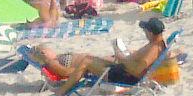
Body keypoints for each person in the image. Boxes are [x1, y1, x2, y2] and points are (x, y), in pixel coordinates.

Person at [24, 15, 169, 88]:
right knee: (92, 59)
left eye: (145, 30)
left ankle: (63, 91)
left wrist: (122, 58)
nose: (144, 33)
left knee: (87, 62)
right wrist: (124, 56)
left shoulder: (153, 49)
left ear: (150, 32)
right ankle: (65, 87)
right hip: (122, 69)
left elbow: (137, 71)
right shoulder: (157, 44)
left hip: (124, 76)